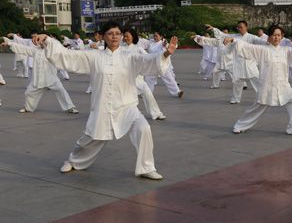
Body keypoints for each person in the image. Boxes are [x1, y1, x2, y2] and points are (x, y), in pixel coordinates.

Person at [32, 21, 178, 180]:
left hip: (127, 106)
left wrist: (165, 54)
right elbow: (67, 56)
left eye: (117, 33)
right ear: (103, 37)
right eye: (110, 33)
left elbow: (148, 61)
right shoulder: (94, 56)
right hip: (102, 106)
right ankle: (73, 161)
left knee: (144, 129)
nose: (114, 36)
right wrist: (47, 40)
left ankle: (146, 168)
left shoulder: (130, 57)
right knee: (90, 140)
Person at [223, 24, 292, 135]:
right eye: (274, 35)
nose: (276, 37)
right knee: (257, 107)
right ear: (269, 36)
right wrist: (233, 40)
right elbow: (248, 48)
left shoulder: (286, 51)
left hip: (283, 86)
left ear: (282, 36)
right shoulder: (263, 49)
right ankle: (240, 125)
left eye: (279, 35)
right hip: (267, 86)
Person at [2, 36, 79, 114]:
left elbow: (63, 53)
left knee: (61, 91)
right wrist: (9, 43)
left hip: (51, 78)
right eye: (39, 42)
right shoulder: (35, 50)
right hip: (38, 79)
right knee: (29, 93)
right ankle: (28, 108)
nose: (41, 43)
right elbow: (23, 48)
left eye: (43, 41)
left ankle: (70, 108)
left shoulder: (53, 51)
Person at [208, 21, 267, 104]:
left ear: (246, 27)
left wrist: (270, 42)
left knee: (257, 81)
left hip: (250, 63)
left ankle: (263, 98)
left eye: (241, 27)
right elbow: (223, 35)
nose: (239, 29)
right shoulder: (235, 36)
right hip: (238, 63)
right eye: (238, 27)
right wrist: (213, 29)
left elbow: (262, 41)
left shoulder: (252, 37)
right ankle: (236, 99)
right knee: (236, 82)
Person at [123, 28, 166, 120]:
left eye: (127, 36)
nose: (125, 38)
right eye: (124, 36)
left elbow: (149, 57)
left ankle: (156, 113)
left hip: (137, 78)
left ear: (133, 37)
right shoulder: (121, 48)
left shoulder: (138, 49)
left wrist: (165, 54)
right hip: (125, 78)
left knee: (148, 94)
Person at [144, 31, 183, 99]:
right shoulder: (150, 42)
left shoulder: (163, 43)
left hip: (162, 64)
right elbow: (142, 44)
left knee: (169, 79)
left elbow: (171, 47)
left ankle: (177, 92)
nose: (155, 37)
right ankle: (147, 93)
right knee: (149, 79)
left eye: (156, 36)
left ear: (161, 36)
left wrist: (169, 45)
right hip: (152, 64)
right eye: (154, 36)